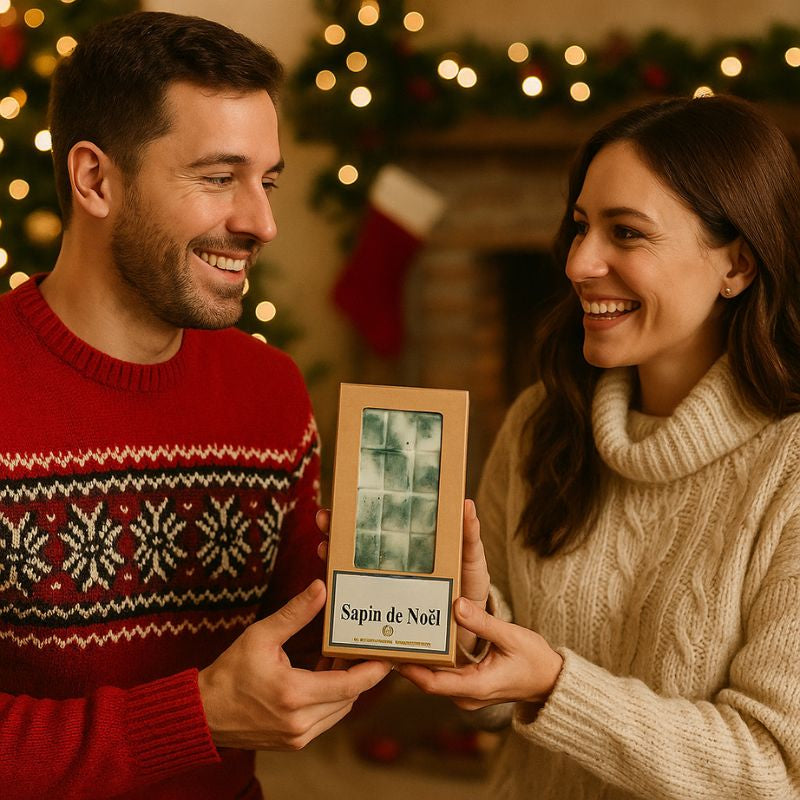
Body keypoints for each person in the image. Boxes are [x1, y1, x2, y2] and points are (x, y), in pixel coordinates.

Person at [0, 11, 390, 800]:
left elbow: (309, 665)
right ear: (95, 179)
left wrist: (411, 606)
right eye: (219, 178)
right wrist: (194, 718)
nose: (261, 222)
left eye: (267, 180)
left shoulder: (269, 391)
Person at [398, 95, 800, 799]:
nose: (581, 262)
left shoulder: (787, 469)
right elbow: (502, 706)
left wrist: (557, 684)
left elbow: (774, 771)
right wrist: (464, 632)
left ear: (737, 262)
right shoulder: (538, 424)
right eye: (581, 226)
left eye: (627, 233)